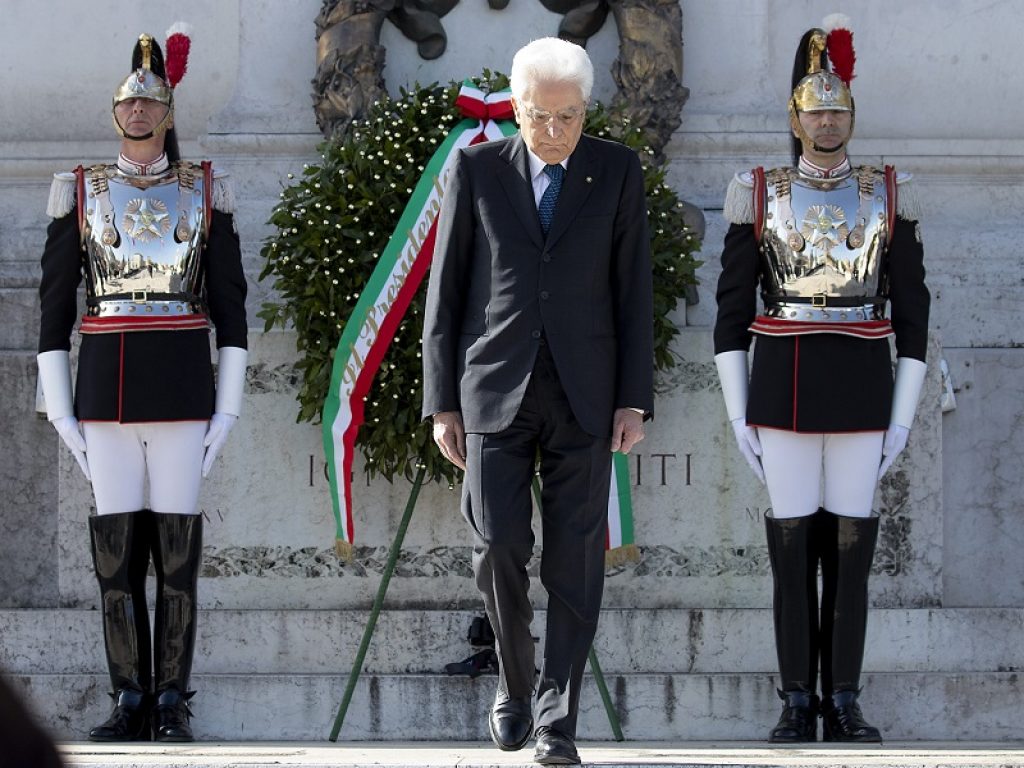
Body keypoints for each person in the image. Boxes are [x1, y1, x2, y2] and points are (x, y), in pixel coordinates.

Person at [422, 37, 653, 765]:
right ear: (515, 108)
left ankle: (558, 717)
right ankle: (516, 686)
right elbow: (447, 290)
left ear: (587, 110)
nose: (554, 131)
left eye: (569, 116)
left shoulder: (616, 170)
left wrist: (633, 400)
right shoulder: (477, 168)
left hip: (585, 394)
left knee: (576, 560)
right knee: (497, 544)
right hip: (494, 390)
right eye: (539, 116)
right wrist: (442, 403)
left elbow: (633, 291)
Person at [713, 16, 930, 743]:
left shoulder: (889, 192)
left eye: (838, 109)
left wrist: (903, 414)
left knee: (851, 554)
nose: (828, 120)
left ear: (852, 116)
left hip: (863, 383)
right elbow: (730, 309)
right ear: (796, 116)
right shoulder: (759, 190)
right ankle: (795, 699)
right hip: (783, 385)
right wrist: (736, 409)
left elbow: (915, 314)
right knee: (790, 550)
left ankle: (843, 696)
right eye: (816, 109)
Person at [36, 27, 248, 742]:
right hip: (107, 392)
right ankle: (130, 697)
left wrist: (228, 409)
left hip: (183, 389)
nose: (137, 113)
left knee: (178, 556)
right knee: (116, 558)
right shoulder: (82, 189)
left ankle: (171, 701)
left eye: (149, 103)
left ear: (167, 112)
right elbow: (54, 307)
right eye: (128, 103)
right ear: (115, 111)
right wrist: (61, 414)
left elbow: (231, 307)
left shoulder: (206, 189)